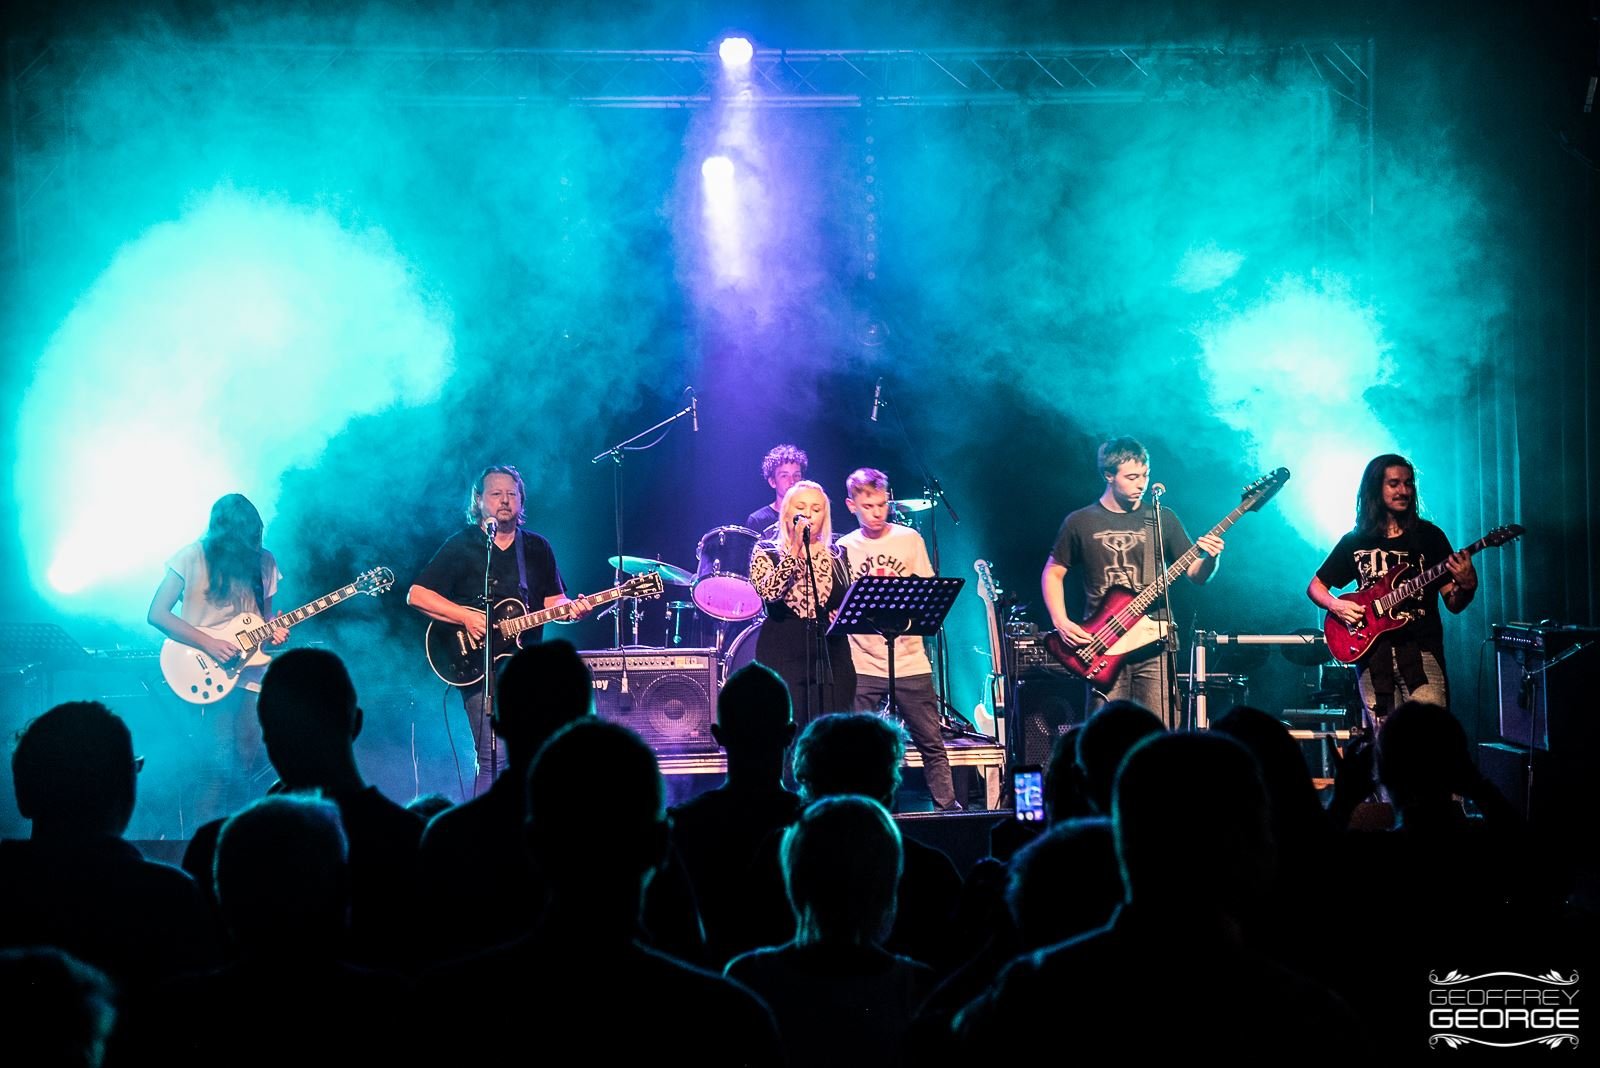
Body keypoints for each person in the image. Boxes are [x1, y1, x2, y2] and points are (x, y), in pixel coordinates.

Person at [407, 465, 585, 797]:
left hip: (526, 668)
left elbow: (554, 602)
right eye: (496, 493)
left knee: (533, 750)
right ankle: (485, 823)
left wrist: (572, 610)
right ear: (479, 500)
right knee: (493, 756)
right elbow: (417, 595)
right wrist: (465, 616)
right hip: (476, 666)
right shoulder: (462, 545)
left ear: (521, 500)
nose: (504, 500)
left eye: (511, 494)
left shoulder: (537, 547)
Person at [1040, 437, 1223, 726]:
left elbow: (1195, 575)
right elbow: (1053, 571)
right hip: (1103, 643)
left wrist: (1211, 558)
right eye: (1132, 477)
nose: (1141, 484)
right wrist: (1060, 620)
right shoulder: (1080, 521)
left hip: (1154, 643)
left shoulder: (1162, 518)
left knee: (1158, 732)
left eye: (1145, 475)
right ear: (1108, 475)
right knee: (1105, 734)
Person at [1307, 454, 1475, 734]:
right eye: (1394, 484)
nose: (1404, 491)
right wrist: (1337, 606)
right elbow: (1315, 587)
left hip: (1421, 652)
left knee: (1431, 737)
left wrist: (1467, 585)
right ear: (1376, 488)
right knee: (1386, 743)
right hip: (1373, 656)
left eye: (1408, 483)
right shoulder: (1355, 540)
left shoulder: (1429, 536)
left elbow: (1454, 603)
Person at [147, 493, 289, 820]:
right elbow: (157, 613)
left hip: (251, 673)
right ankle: (206, 839)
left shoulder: (265, 561)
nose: (253, 543)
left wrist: (274, 629)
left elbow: (264, 618)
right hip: (205, 669)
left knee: (247, 761)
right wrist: (209, 643)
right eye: (247, 535)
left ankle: (240, 835)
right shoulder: (191, 557)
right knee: (218, 763)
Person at [837, 467, 957, 811]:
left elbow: (928, 592)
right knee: (859, 745)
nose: (877, 513)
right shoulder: (844, 547)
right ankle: (863, 810)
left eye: (882, 504)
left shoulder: (909, 539)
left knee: (931, 742)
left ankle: (948, 808)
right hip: (863, 662)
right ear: (851, 505)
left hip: (909, 661)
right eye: (868, 506)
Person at [749, 481, 857, 727]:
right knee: (787, 726)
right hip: (783, 649)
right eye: (801, 507)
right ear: (786, 512)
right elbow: (769, 592)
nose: (808, 513)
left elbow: (847, 596)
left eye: (816, 509)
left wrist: (842, 613)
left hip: (831, 651)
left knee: (834, 728)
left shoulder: (838, 553)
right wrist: (796, 548)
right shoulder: (766, 551)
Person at [745, 443, 809, 535]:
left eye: (796, 475)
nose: (792, 481)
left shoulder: (810, 515)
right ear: (772, 482)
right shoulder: (758, 520)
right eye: (784, 476)